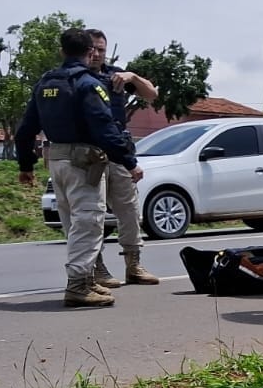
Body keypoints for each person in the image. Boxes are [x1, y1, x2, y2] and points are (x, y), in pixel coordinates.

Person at [15, 27, 143, 308]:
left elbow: (25, 130)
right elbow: (104, 128)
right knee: (88, 222)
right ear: (89, 53)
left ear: (62, 51)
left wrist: (26, 166)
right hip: (83, 162)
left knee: (72, 223)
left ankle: (87, 280)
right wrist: (129, 162)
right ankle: (78, 286)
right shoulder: (88, 84)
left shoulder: (45, 83)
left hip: (56, 161)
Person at [85, 29, 160, 287]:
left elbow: (151, 94)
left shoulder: (115, 75)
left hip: (118, 151)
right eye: (92, 48)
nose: (96, 54)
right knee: (92, 215)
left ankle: (134, 265)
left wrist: (132, 76)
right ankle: (97, 268)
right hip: (89, 154)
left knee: (129, 210)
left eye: (101, 49)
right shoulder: (76, 78)